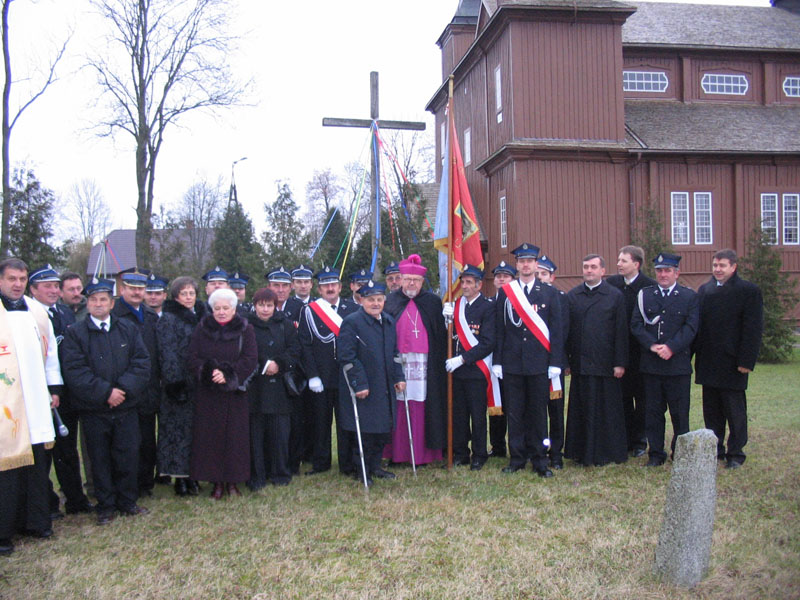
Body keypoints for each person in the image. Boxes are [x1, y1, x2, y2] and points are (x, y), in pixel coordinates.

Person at [60, 278, 151, 526]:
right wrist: (105, 393)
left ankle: (127, 502)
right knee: (99, 459)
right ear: (87, 303)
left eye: (103, 300)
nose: (98, 304)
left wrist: (122, 390)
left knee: (127, 455)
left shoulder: (128, 329)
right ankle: (105, 506)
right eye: (93, 300)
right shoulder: (75, 333)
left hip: (126, 406)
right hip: (94, 409)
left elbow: (141, 363)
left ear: (112, 303)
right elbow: (75, 371)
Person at [0, 258, 62, 554]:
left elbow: (51, 355)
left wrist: (54, 387)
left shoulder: (36, 312)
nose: (17, 284)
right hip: (5, 404)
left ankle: (36, 521)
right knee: (8, 468)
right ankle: (3, 531)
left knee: (38, 464)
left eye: (22, 278)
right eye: (11, 278)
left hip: (36, 398)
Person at [27, 265, 93, 517]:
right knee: (43, 452)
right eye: (47, 286)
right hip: (39, 393)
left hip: (66, 392)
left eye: (56, 286)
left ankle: (75, 499)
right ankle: (46, 502)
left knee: (67, 449)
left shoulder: (65, 313)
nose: (54, 290)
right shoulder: (27, 315)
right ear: (33, 289)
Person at [493, 244, 564, 478]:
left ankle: (540, 459)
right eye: (522, 261)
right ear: (518, 265)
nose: (525, 265)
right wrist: (498, 361)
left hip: (539, 363)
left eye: (530, 261)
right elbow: (500, 329)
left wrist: (555, 362)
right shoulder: (506, 292)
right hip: (512, 363)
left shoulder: (549, 293)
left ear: (536, 265)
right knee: (514, 413)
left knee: (538, 414)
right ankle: (517, 458)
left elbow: (557, 330)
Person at [694, 249, 763, 469]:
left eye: (722, 265)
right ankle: (716, 450)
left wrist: (746, 360)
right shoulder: (705, 291)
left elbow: (753, 328)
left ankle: (735, 453)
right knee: (711, 410)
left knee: (734, 411)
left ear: (733, 267)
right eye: (715, 265)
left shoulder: (748, 291)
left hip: (733, 363)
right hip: (708, 362)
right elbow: (698, 328)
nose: (718, 269)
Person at [187, 288, 257, 499]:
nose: (221, 312)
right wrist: (210, 372)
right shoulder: (202, 329)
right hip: (209, 394)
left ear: (234, 309)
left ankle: (233, 482)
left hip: (234, 394)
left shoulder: (246, 329)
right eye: (217, 308)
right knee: (211, 439)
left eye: (226, 308)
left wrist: (229, 375)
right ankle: (216, 482)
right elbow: (192, 357)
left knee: (235, 439)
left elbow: (250, 358)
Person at [631, 253, 699, 467]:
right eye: (659, 270)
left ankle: (680, 453)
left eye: (667, 270)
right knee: (653, 413)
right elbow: (636, 325)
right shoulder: (645, 295)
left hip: (677, 365)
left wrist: (671, 347)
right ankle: (656, 454)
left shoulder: (688, 296)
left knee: (680, 414)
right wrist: (652, 345)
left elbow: (691, 327)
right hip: (652, 365)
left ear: (677, 273)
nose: (663, 274)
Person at [337, 281, 406, 485]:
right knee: (366, 431)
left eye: (379, 299)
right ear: (361, 300)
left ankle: (375, 466)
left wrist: (399, 377)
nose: (375, 303)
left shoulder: (388, 321)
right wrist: (359, 384)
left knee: (382, 429)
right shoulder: (352, 322)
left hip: (384, 385)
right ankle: (361, 470)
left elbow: (394, 353)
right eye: (370, 300)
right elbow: (347, 356)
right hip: (365, 385)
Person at [564, 254, 628, 467]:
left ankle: (606, 452)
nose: (589, 270)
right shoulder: (572, 296)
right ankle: (580, 452)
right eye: (586, 267)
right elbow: (566, 332)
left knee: (606, 410)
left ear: (603, 271)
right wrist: (566, 361)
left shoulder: (615, 296)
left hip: (606, 365)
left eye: (593, 267)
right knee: (582, 410)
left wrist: (620, 362)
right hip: (581, 364)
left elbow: (621, 332)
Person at [383, 254, 447, 466]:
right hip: (398, 362)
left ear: (422, 282)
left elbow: (441, 336)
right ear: (400, 279)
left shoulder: (432, 302)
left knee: (422, 407)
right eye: (408, 278)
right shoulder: (389, 301)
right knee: (398, 407)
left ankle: (422, 455)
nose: (411, 283)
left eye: (416, 280)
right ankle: (397, 454)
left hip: (425, 365)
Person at [298, 267, 358, 476]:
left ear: (340, 287)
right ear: (319, 289)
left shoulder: (352, 309)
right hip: (321, 377)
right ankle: (321, 462)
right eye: (325, 286)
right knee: (320, 422)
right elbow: (305, 345)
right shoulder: (309, 310)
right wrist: (313, 375)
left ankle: (347, 463)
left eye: (333, 285)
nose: (330, 289)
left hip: (345, 376)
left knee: (345, 422)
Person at [246, 288, 301, 488]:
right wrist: (263, 364)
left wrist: (278, 363)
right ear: (255, 306)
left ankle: (280, 474)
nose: (266, 309)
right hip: (255, 388)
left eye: (270, 305)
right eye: (262, 305)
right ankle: (257, 476)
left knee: (280, 434)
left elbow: (295, 349)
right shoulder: (246, 326)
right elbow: (244, 352)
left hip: (279, 388)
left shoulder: (285, 325)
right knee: (256, 435)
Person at [112, 268, 160, 497]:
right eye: (132, 288)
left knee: (147, 440)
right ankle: (127, 484)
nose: (137, 292)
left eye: (140, 289)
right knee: (128, 443)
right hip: (126, 388)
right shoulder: (116, 315)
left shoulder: (149, 315)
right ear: (122, 290)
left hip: (149, 388)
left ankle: (145, 483)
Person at [156, 276, 206, 496]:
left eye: (191, 293)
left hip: (199, 383)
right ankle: (180, 479)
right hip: (178, 386)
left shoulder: (202, 316)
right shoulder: (168, 318)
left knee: (195, 433)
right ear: (176, 296)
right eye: (184, 293)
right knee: (177, 435)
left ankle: (194, 475)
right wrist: (175, 383)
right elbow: (167, 353)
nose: (188, 297)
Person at [444, 265, 496, 471]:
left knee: (477, 415)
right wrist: (445, 320)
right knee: (459, 415)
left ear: (479, 285)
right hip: (456, 372)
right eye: (462, 282)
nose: (464, 286)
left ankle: (479, 454)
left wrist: (463, 359)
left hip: (476, 370)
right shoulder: (456, 305)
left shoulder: (487, 307)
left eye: (468, 282)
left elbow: (488, 342)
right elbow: (451, 337)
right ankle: (461, 452)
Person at [606, 245, 656, 457]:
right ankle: (624, 437)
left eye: (623, 261)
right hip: (618, 352)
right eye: (618, 260)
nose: (618, 264)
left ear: (636, 264)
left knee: (642, 398)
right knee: (622, 397)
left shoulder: (649, 287)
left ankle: (640, 440)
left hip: (640, 353)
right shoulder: (612, 284)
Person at [534, 255, 569, 470]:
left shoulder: (560, 298)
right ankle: (539, 449)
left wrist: (560, 362)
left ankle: (556, 452)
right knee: (537, 412)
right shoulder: (528, 298)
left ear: (552, 277)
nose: (540, 278)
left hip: (554, 363)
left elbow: (563, 332)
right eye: (537, 274)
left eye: (544, 274)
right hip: (535, 364)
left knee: (555, 411)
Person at [486, 261, 517, 459]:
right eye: (498, 276)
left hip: (513, 362)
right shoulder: (489, 304)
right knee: (495, 406)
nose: (501, 279)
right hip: (491, 363)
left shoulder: (517, 303)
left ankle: (516, 446)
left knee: (514, 407)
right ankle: (497, 447)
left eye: (506, 276)